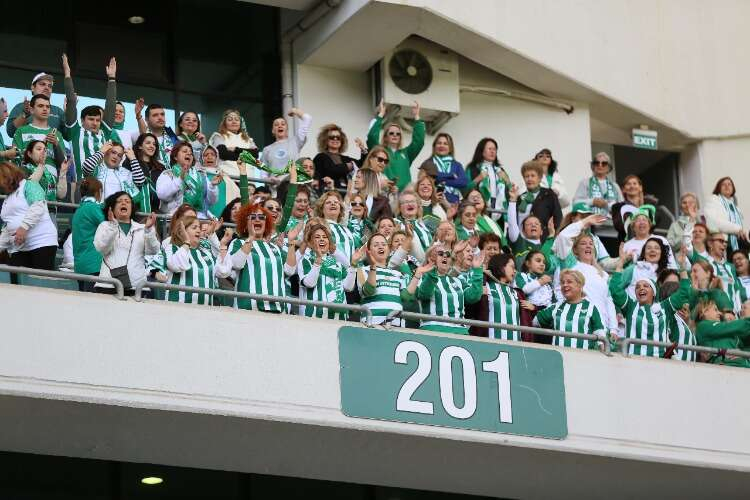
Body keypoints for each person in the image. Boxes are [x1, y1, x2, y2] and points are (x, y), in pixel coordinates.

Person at [610, 246, 692, 358]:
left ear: (654, 292)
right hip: (632, 362)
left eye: (646, 286)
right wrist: (620, 263)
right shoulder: (630, 306)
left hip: (658, 364)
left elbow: (684, 291)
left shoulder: (665, 307)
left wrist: (682, 267)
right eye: (637, 287)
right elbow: (615, 289)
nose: (641, 288)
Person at [221, 203, 297, 312]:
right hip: (248, 308)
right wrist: (251, 237)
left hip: (277, 309)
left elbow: (290, 270)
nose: (257, 220)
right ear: (245, 222)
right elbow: (237, 264)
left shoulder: (274, 247)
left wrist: (291, 243)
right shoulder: (238, 242)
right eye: (252, 217)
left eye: (261, 217)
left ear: (266, 223)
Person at [62, 54, 120, 179]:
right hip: (82, 185)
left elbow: (110, 105)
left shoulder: (105, 132)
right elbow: (71, 101)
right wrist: (67, 75)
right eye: (91, 119)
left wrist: (112, 79)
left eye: (98, 120)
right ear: (82, 121)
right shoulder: (75, 132)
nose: (95, 123)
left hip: (105, 187)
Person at [354, 232, 428, 326]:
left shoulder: (397, 273)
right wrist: (373, 267)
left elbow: (405, 297)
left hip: (396, 325)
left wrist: (418, 274)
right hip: (372, 323)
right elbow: (369, 291)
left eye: (384, 244)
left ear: (389, 250)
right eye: (376, 245)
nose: (381, 247)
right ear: (369, 251)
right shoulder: (362, 270)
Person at [93, 191, 159, 294]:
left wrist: (149, 230)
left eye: (127, 201)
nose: (124, 203)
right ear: (112, 208)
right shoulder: (105, 226)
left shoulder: (142, 228)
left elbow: (153, 250)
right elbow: (102, 248)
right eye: (119, 201)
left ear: (132, 208)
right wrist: (113, 227)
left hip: (137, 287)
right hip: (108, 285)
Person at [160, 215, 233, 305]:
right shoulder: (173, 248)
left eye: (199, 227)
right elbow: (177, 265)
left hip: (205, 311)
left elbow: (223, 271)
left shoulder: (206, 253)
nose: (198, 230)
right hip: (178, 309)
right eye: (194, 227)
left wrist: (223, 244)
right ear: (182, 231)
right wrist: (186, 241)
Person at [0, 162, 58, 275]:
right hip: (19, 247)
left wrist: (23, 227)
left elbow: (38, 205)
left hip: (42, 243)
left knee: (40, 283)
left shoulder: (29, 185)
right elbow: (8, 226)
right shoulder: (8, 196)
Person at [555, 233, 618, 335]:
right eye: (583, 243)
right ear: (575, 250)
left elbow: (609, 302)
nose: (588, 246)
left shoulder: (604, 275)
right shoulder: (572, 267)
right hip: (578, 322)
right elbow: (563, 237)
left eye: (591, 244)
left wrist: (613, 328)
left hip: (602, 326)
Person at [416, 243, 484, 334]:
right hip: (433, 330)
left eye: (448, 255)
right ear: (431, 258)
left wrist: (477, 271)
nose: (445, 256)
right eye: (440, 254)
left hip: (460, 332)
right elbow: (424, 294)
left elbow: (473, 297)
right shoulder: (422, 278)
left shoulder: (458, 280)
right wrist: (432, 272)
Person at [533, 269, 606, 350]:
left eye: (569, 282)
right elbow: (535, 322)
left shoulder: (591, 308)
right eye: (562, 283)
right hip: (560, 358)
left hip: (584, 358)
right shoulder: (555, 307)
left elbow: (599, 332)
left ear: (580, 285)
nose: (564, 285)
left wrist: (603, 347)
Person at [297, 222, 356, 319]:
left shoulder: (337, 262)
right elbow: (309, 283)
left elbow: (348, 287)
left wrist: (353, 266)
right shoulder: (306, 260)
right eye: (317, 237)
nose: (321, 239)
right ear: (310, 243)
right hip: (314, 315)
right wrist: (318, 261)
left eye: (325, 237)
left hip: (339, 316)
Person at [366, 99, 424, 191]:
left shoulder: (406, 153)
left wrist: (417, 117)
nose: (395, 135)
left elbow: (419, 141)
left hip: (404, 197)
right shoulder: (380, 151)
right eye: (391, 133)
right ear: (385, 137)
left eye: (398, 134)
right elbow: (372, 136)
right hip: (385, 193)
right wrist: (381, 114)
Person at [475, 253, 533, 341]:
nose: (515, 271)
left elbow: (526, 322)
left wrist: (534, 308)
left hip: (516, 346)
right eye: (512, 267)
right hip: (489, 344)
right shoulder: (485, 287)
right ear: (501, 266)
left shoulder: (517, 293)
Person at [156, 142, 220, 217]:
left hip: (198, 217)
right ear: (175, 157)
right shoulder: (168, 174)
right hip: (175, 217)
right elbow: (162, 195)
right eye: (184, 151)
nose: (189, 154)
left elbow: (211, 201)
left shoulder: (201, 176)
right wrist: (180, 179)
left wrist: (212, 186)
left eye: (191, 153)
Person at [12, 94, 65, 171]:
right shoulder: (21, 131)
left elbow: (64, 164)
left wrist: (56, 145)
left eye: (48, 107)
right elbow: (15, 158)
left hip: (51, 181)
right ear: (32, 110)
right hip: (28, 178)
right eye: (40, 106)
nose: (45, 109)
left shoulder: (57, 134)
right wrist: (36, 149)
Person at [553, 205, 615, 271]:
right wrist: (585, 221)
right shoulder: (563, 236)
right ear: (573, 218)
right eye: (583, 217)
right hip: (568, 277)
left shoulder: (595, 238)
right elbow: (564, 237)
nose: (588, 220)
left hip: (589, 276)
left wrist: (623, 259)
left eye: (588, 216)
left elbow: (605, 263)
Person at [6, 72, 65, 140]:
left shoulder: (58, 111)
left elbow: (69, 136)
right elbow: (10, 132)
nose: (47, 88)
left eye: (50, 86)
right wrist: (24, 114)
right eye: (42, 84)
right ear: (33, 88)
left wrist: (70, 111)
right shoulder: (20, 107)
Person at [71, 178, 105, 291]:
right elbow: (108, 226)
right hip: (93, 264)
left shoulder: (80, 209)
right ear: (97, 192)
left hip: (81, 265)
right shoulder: (92, 208)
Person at [694, 301, 750, 368]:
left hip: (743, 367)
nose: (720, 313)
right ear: (703, 312)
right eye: (715, 310)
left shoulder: (728, 335)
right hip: (729, 367)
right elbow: (729, 327)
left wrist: (741, 353)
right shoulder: (703, 326)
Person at [465, 138, 512, 219]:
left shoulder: (500, 170)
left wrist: (507, 181)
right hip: (479, 209)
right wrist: (478, 178)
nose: (493, 151)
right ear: (481, 151)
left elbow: (511, 192)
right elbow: (464, 190)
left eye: (494, 149)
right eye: (489, 149)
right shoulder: (472, 169)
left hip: (499, 210)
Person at [513, 160, 562, 238]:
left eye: (533, 176)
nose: (529, 179)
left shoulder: (549, 195)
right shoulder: (520, 198)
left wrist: (551, 237)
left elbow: (558, 218)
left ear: (539, 178)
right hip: (521, 242)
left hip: (542, 241)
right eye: (527, 176)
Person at [658, 270, 697, 362]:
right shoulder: (666, 316)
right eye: (684, 298)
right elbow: (663, 339)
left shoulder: (682, 321)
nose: (687, 303)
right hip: (675, 370)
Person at [313, 123, 365, 193]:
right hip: (329, 195)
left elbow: (362, 164)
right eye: (332, 137)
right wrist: (347, 166)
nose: (335, 139)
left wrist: (363, 149)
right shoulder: (320, 157)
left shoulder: (346, 159)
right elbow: (330, 170)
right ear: (325, 140)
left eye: (338, 137)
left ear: (342, 140)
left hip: (346, 194)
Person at [418, 133, 467, 205]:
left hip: (454, 201)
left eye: (445, 144)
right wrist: (451, 176)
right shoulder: (428, 163)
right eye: (439, 143)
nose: (442, 145)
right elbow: (429, 179)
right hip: (434, 201)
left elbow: (463, 182)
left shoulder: (457, 165)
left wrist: (441, 181)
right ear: (434, 146)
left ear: (450, 148)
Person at [262, 107, 312, 175]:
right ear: (273, 131)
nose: (280, 126)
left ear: (287, 128)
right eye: (276, 125)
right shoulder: (267, 149)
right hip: (275, 184)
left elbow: (307, 119)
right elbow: (263, 172)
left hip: (292, 183)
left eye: (283, 124)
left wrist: (295, 111)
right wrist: (269, 180)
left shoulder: (296, 141)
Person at [572, 152, 623, 217]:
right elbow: (576, 203)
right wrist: (593, 201)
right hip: (591, 223)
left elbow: (622, 207)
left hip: (611, 223)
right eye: (597, 163)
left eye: (604, 163)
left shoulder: (615, 186)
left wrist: (609, 206)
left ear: (609, 167)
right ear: (593, 166)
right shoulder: (585, 182)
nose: (600, 165)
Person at [704, 176, 747, 252]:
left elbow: (742, 227)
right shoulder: (713, 200)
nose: (727, 186)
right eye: (723, 184)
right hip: (723, 243)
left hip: (738, 242)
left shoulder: (735, 207)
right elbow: (713, 222)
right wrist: (737, 229)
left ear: (733, 188)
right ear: (718, 188)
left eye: (729, 184)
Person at [705, 232, 744, 314]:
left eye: (725, 242)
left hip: (734, 315)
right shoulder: (704, 263)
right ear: (710, 243)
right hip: (716, 314)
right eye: (720, 241)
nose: (724, 244)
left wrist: (739, 312)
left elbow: (736, 291)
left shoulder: (731, 267)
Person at [315, 190, 356, 263]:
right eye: (328, 202)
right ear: (321, 208)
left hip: (349, 272)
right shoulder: (318, 227)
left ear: (340, 208)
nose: (333, 204)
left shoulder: (346, 230)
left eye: (336, 202)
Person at [394, 189, 433, 259]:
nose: (410, 204)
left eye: (412, 201)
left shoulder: (424, 224)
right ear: (399, 207)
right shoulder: (395, 223)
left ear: (418, 206)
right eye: (406, 202)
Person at [137, 103, 178, 167]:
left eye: (162, 114)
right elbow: (143, 131)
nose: (160, 117)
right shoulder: (143, 136)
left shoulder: (173, 137)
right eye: (155, 115)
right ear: (147, 120)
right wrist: (138, 116)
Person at [132, 133, 164, 212]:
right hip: (136, 210)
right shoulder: (130, 162)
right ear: (139, 146)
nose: (152, 146)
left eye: (154, 144)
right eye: (148, 143)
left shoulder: (161, 167)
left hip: (157, 211)